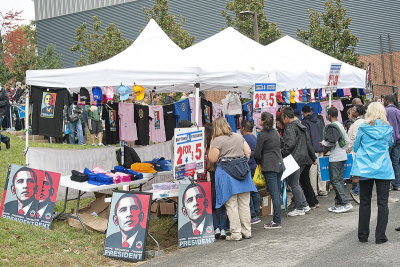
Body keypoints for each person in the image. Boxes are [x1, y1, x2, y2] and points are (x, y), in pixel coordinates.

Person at [350, 102, 394, 244]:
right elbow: (390, 143)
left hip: (365, 167)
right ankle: (380, 236)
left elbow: (356, 147)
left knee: (365, 202)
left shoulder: (363, 127)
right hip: (383, 168)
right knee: (382, 203)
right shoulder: (388, 128)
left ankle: (363, 235)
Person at [208, 117, 256, 241]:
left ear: (216, 128)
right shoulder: (238, 136)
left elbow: (212, 159)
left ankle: (236, 233)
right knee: (244, 204)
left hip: (226, 174)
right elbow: (248, 151)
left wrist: (212, 145)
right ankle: (247, 231)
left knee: (231, 205)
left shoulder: (217, 140)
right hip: (243, 172)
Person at [281, 107, 316, 216]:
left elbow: (290, 144)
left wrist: (281, 153)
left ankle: (301, 207)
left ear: (286, 117)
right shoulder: (301, 126)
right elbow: (308, 143)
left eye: (283, 119)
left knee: (293, 183)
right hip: (304, 157)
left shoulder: (290, 127)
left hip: (294, 158)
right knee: (295, 183)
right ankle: (304, 205)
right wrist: (313, 157)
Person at [254, 112, 284, 229]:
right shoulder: (275, 132)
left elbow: (257, 154)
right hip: (279, 164)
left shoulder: (262, 135)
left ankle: (277, 221)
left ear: (262, 121)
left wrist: (259, 162)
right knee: (277, 193)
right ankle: (277, 219)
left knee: (274, 194)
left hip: (270, 166)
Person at [321, 107, 353, 213]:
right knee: (339, 180)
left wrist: (323, 143)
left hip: (335, 157)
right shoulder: (340, 125)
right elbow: (347, 140)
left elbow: (332, 141)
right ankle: (338, 203)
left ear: (329, 115)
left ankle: (345, 202)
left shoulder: (332, 126)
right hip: (342, 155)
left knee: (335, 180)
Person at [204, 123, 228, 239]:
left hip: (212, 177)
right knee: (221, 203)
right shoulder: (218, 144)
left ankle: (216, 227)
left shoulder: (208, 147)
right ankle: (222, 228)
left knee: (212, 204)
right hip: (220, 176)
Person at [301, 105, 327, 198]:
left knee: (312, 171)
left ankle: (314, 191)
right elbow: (324, 133)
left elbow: (306, 138)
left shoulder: (304, 122)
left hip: (312, 149)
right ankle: (322, 189)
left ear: (303, 112)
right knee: (321, 170)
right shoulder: (319, 121)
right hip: (321, 147)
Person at [240, 120, 261, 225]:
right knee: (255, 191)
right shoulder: (254, 137)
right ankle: (256, 213)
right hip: (256, 167)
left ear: (243, 128)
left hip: (248, 168)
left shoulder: (243, 139)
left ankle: (253, 215)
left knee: (249, 192)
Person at [347, 104, 366, 204]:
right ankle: (356, 191)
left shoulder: (359, 122)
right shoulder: (359, 122)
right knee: (356, 172)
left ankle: (356, 191)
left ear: (358, 112)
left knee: (356, 172)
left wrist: (350, 148)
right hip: (355, 150)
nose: (352, 111)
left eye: (354, 110)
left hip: (356, 150)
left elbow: (354, 137)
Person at [383, 95, 400, 191]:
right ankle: (397, 184)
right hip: (397, 141)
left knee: (386, 162)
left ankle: (387, 184)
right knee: (396, 163)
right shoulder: (398, 112)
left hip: (386, 141)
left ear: (387, 100)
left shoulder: (383, 112)